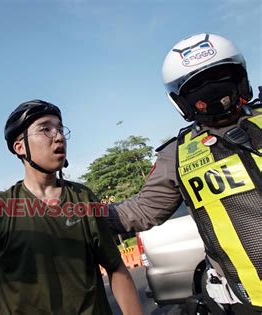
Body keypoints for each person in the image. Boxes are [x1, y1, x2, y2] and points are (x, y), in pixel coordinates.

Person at [106, 33, 262, 314]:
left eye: (221, 78)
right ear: (182, 102)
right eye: (199, 88)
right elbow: (141, 211)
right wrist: (76, 212)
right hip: (247, 302)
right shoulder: (176, 155)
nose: (213, 93)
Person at [0, 100, 143, 314]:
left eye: (60, 129)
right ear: (20, 147)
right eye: (46, 129)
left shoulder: (83, 198)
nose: (59, 136)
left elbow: (116, 269)